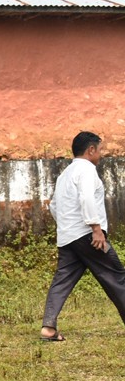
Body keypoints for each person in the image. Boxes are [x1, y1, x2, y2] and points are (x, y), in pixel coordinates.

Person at [41, 131, 125, 339]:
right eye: (100, 149)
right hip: (88, 236)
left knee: (63, 279)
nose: (101, 154)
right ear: (91, 150)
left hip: (68, 237)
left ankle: (48, 327)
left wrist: (68, 226)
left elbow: (54, 206)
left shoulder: (65, 174)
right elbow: (86, 198)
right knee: (116, 276)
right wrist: (96, 229)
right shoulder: (87, 170)